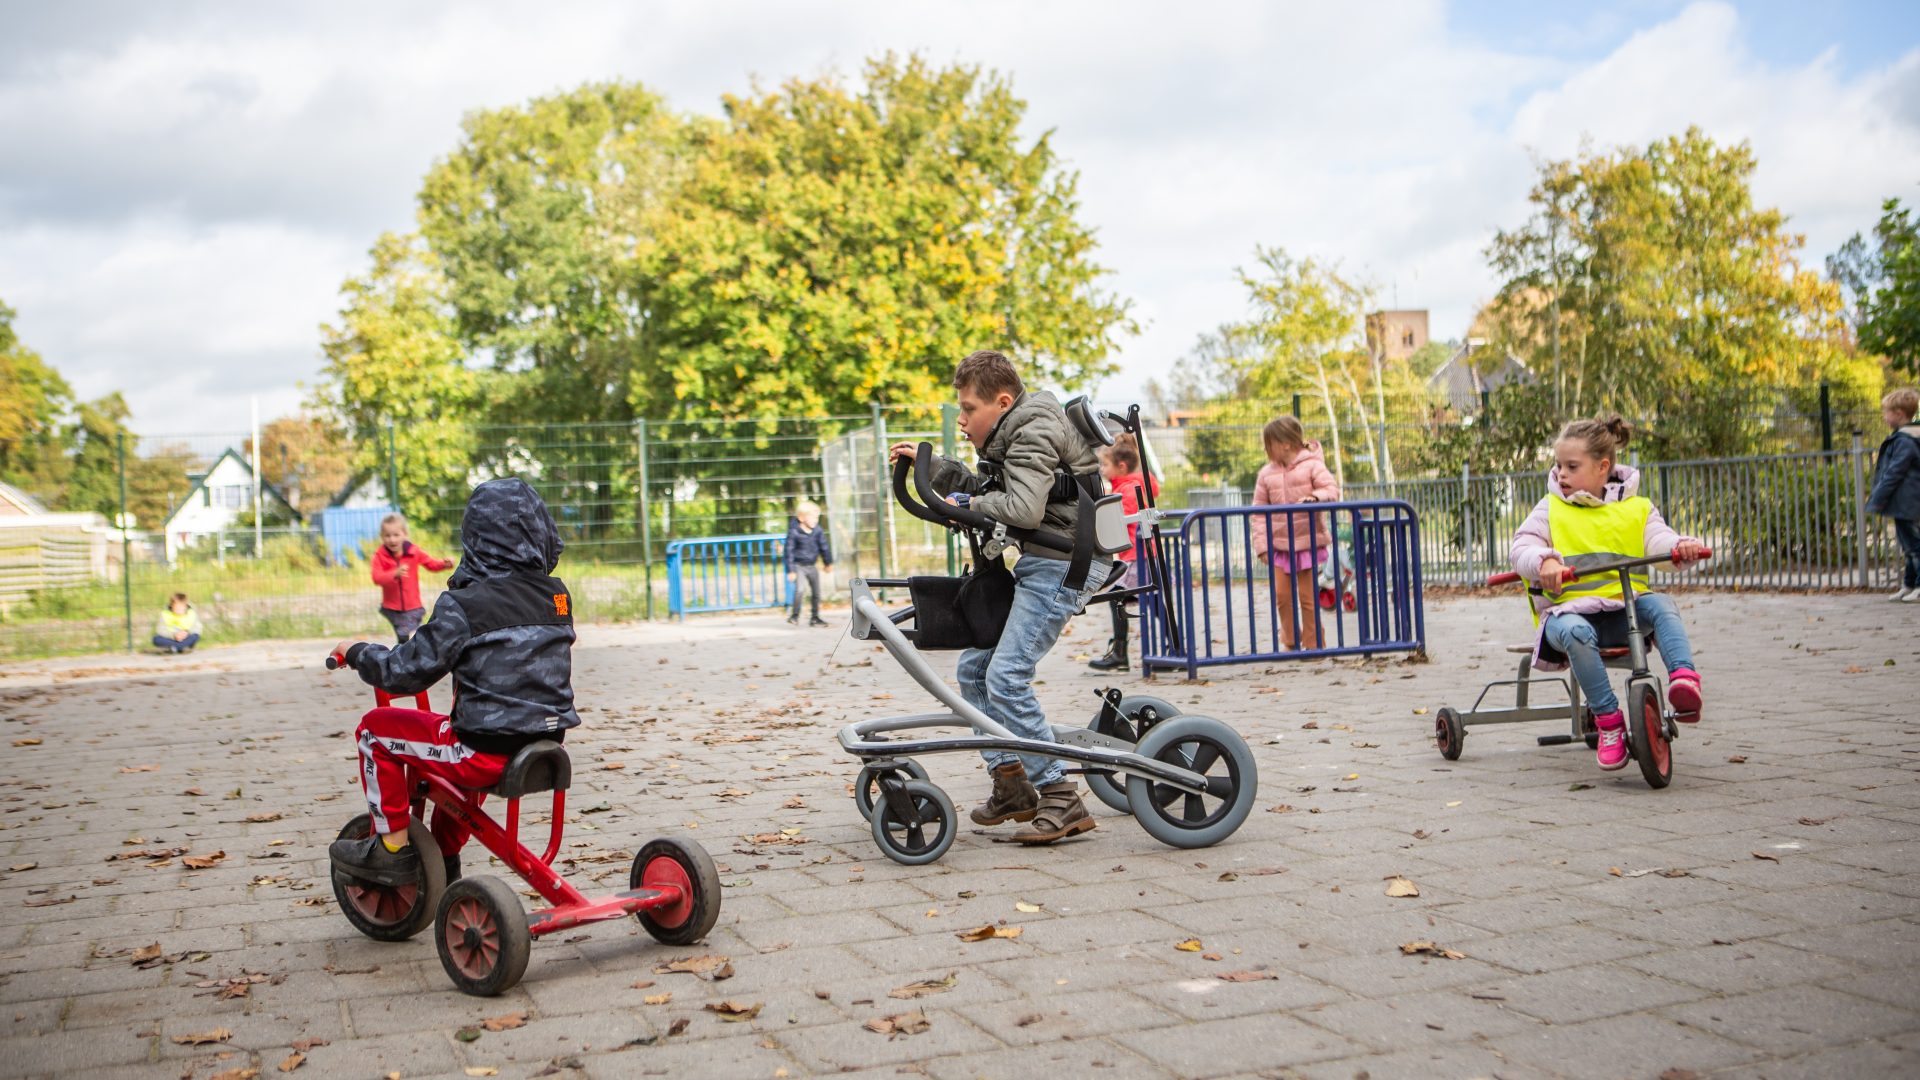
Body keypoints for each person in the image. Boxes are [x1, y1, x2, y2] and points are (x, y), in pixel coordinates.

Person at [889, 350, 1102, 844]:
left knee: (1005, 676)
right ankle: (1012, 785)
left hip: (1066, 565)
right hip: (1043, 561)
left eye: (968, 409)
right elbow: (991, 490)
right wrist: (937, 471)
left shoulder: (1034, 429)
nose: (961, 420)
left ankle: (1059, 796)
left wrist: (968, 505)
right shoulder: (1015, 431)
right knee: (975, 670)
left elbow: (1023, 509)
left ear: (1002, 402)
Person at [327, 479, 578, 885]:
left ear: (474, 538)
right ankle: (445, 857)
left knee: (376, 730)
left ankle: (391, 850)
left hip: (484, 749)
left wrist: (357, 652)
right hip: (545, 741)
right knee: (466, 733)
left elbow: (404, 673)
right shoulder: (556, 597)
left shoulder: (465, 603)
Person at [1510, 416, 1708, 772]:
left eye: (1572, 466)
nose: (1562, 475)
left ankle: (1684, 680)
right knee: (1575, 630)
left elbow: (1658, 541)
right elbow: (1520, 547)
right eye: (1558, 466)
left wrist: (1681, 546)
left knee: (1662, 604)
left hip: (1623, 614)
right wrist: (1544, 562)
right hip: (1566, 617)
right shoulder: (1550, 508)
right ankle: (1608, 722)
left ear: (1603, 467)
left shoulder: (1637, 508)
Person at [1249, 416, 1339, 651]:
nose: (1266, 449)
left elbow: (1331, 488)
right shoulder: (1266, 474)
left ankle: (1314, 642)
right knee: (1282, 597)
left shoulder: (1312, 466)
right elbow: (1258, 512)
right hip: (1279, 545)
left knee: (1308, 598)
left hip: (1306, 543)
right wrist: (1262, 546)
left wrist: (1316, 497)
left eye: (1269, 444)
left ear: (1285, 444)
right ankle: (1290, 640)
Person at [1088, 434, 1158, 672]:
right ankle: (1123, 653)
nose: (1102, 470)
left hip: (1137, 556)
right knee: (1144, 601)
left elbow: (1122, 521)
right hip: (1138, 555)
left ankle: (1120, 653)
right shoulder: (1128, 487)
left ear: (1122, 466)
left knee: (1121, 598)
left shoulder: (1129, 490)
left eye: (1105, 465)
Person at [1867, 388, 1920, 603]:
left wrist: (1877, 497)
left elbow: (1894, 472)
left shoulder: (1905, 442)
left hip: (1908, 500)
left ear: (1899, 413)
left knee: (1914, 545)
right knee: (1907, 545)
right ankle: (1909, 584)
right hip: (1904, 501)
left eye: (1887, 412)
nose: (1884, 416)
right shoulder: (1903, 439)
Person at [370, 513, 453, 642]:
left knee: (404, 633)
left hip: (413, 605)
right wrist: (394, 573)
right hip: (391, 607)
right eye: (387, 535)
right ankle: (404, 652)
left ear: (405, 534)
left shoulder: (414, 552)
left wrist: (444, 564)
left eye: (396, 535)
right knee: (402, 634)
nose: (392, 540)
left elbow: (431, 564)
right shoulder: (380, 555)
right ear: (382, 536)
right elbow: (377, 577)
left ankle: (405, 650)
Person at [785, 500, 834, 627]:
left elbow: (824, 547)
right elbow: (789, 551)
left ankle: (815, 617)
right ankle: (794, 616)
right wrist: (790, 570)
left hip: (812, 566)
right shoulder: (794, 532)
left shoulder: (817, 531)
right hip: (799, 566)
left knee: (816, 593)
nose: (815, 520)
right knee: (800, 590)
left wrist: (827, 563)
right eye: (812, 517)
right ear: (801, 518)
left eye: (817, 517)